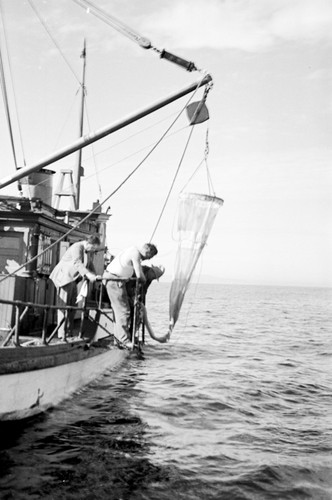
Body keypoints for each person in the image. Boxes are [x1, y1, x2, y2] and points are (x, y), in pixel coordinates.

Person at [103, 243, 158, 347]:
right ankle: (124, 341)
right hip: (115, 280)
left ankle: (118, 339)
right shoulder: (136, 254)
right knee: (124, 311)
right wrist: (144, 280)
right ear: (148, 252)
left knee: (118, 311)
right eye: (151, 256)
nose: (149, 259)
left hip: (113, 279)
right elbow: (139, 274)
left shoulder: (132, 250)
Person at [50, 234, 101, 339]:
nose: (93, 250)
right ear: (88, 243)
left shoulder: (87, 252)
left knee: (72, 307)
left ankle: (68, 332)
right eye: (92, 248)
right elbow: (77, 263)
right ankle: (62, 334)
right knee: (63, 306)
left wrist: (96, 277)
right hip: (64, 278)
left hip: (72, 280)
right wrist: (89, 275)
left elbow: (89, 264)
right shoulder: (77, 247)